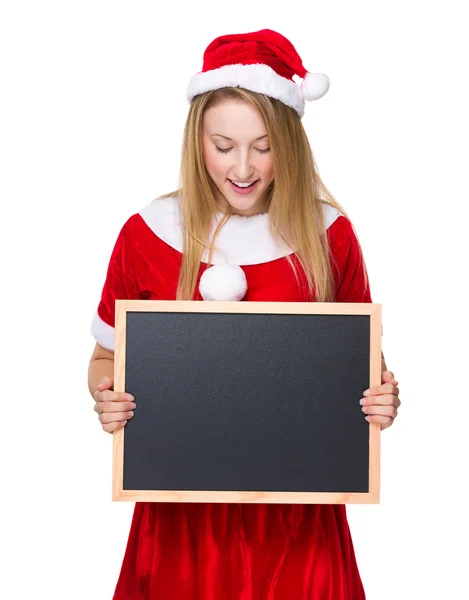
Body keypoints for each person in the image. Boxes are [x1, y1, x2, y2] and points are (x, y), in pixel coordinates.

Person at [88, 28, 401, 600]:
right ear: (197, 139)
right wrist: (105, 396)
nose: (242, 167)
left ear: (290, 139)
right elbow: (106, 355)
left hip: (298, 525)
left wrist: (383, 398)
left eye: (263, 145)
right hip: (181, 522)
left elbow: (365, 366)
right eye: (222, 144)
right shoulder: (148, 234)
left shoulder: (329, 237)